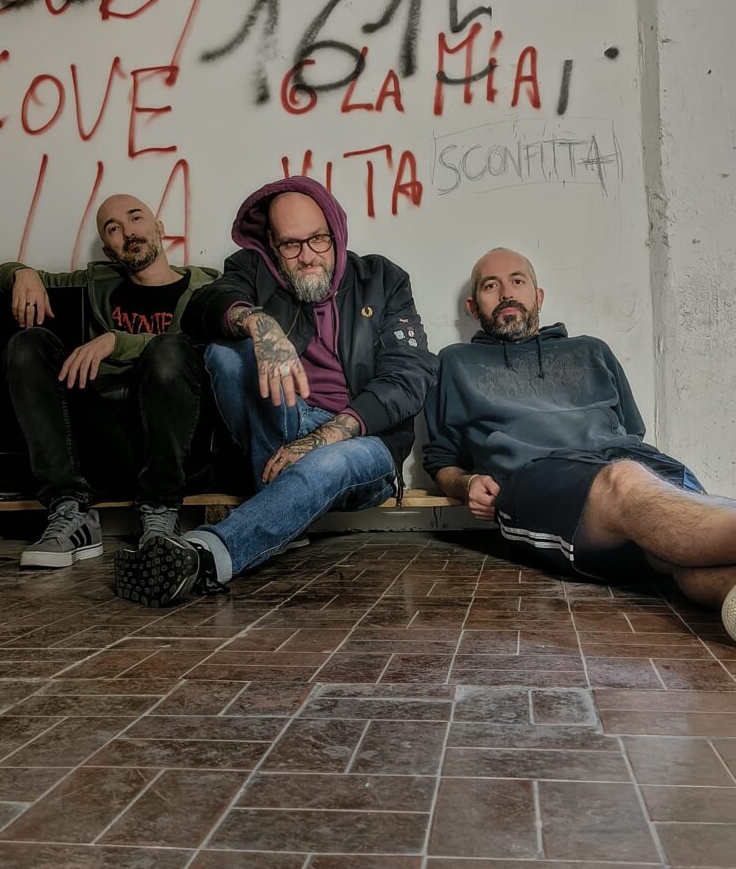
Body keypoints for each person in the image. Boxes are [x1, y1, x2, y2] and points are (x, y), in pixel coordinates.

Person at [114, 176, 436, 606]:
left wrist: (332, 433)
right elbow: (203, 307)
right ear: (271, 244)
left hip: (362, 440)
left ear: (336, 232)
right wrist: (257, 322)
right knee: (227, 354)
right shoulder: (253, 269)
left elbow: (410, 374)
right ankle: (281, 514)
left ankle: (204, 554)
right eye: (290, 245)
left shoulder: (382, 278)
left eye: (318, 239)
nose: (308, 256)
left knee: (330, 462)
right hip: (283, 424)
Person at [424, 246, 736, 641]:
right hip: (539, 478)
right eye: (491, 285)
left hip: (637, 471)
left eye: (518, 281)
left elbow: (631, 432)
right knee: (623, 481)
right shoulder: (454, 362)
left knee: (667, 545)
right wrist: (466, 483)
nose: (506, 292)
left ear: (538, 297)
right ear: (473, 306)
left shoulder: (592, 350)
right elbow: (441, 460)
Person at [0, 194, 219, 569]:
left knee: (170, 350)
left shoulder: (208, 288)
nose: (128, 232)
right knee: (28, 344)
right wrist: (21, 273)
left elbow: (204, 350)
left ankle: (161, 513)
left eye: (136, 218)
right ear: (109, 249)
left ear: (159, 228)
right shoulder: (95, 283)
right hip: (108, 444)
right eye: (113, 228)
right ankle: (69, 511)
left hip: (177, 450)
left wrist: (116, 341)